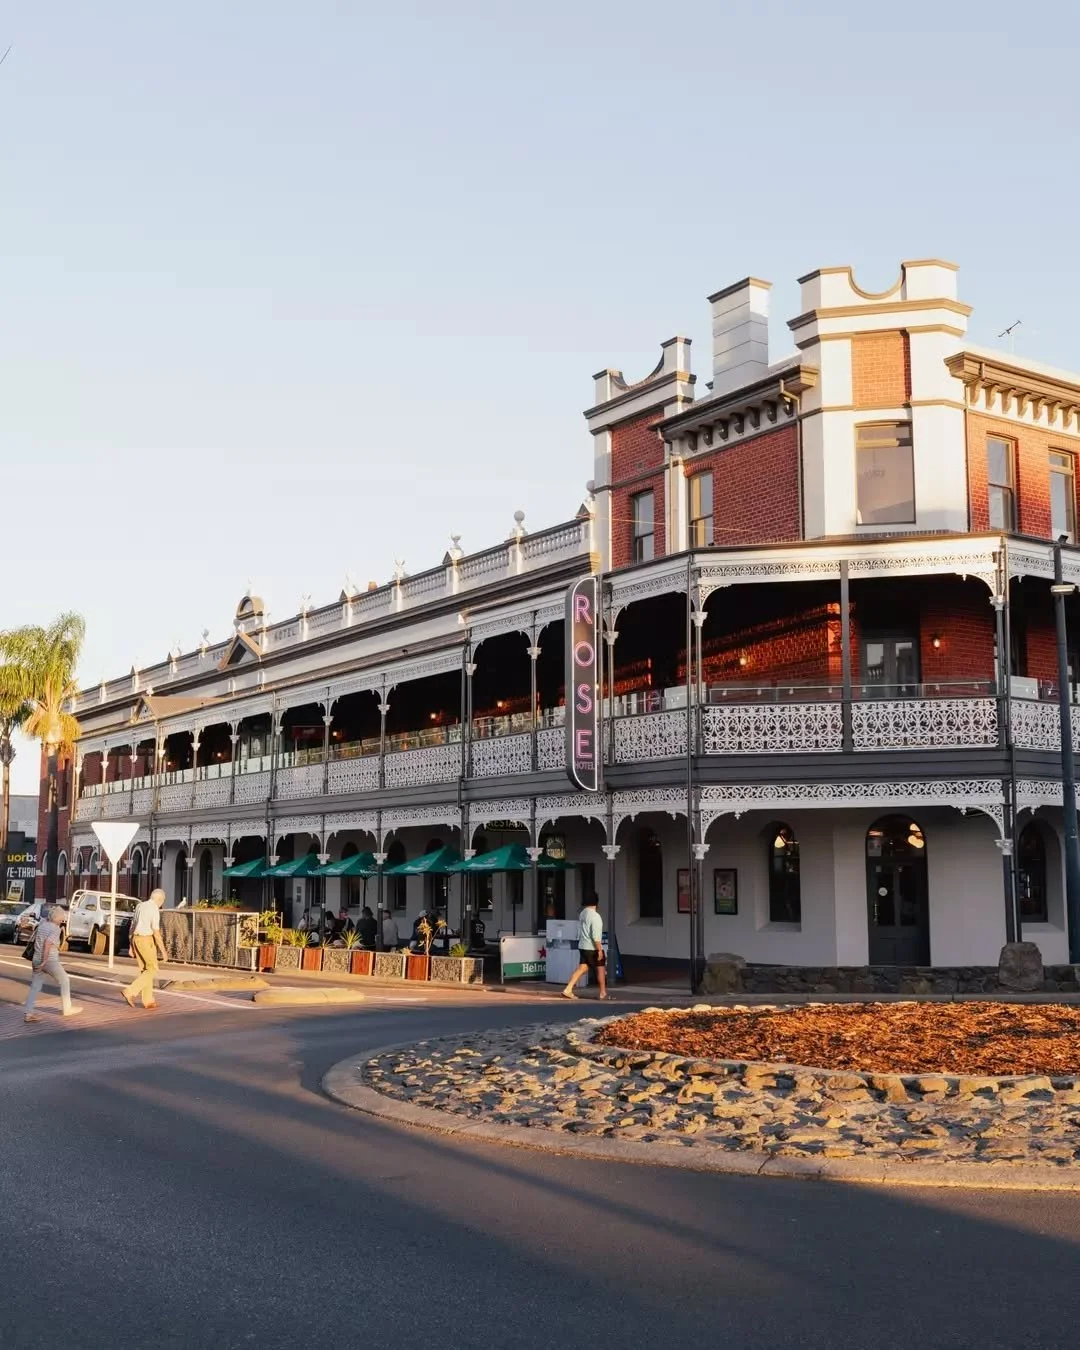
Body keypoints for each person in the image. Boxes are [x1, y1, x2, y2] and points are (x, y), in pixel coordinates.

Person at [24, 906, 82, 1023]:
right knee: (64, 980)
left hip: (36, 960)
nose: (63, 919)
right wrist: (45, 961)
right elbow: (48, 944)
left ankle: (28, 1013)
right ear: (56, 918)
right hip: (49, 961)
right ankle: (67, 1008)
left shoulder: (42, 924)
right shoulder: (56, 929)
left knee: (35, 986)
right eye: (62, 917)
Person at [122, 888, 168, 1011]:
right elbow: (156, 932)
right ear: (160, 899)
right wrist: (163, 951)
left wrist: (131, 945)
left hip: (136, 939)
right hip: (146, 940)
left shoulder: (140, 906)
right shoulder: (154, 910)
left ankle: (148, 1001)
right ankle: (130, 991)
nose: (161, 904)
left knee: (145, 971)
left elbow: (132, 926)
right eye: (162, 901)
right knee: (152, 969)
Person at [561, 894, 609, 1001]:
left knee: (582, 968)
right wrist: (600, 950)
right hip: (592, 947)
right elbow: (595, 936)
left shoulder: (582, 914)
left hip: (582, 945)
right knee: (600, 968)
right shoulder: (595, 917)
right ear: (597, 903)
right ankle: (602, 993)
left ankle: (568, 989)